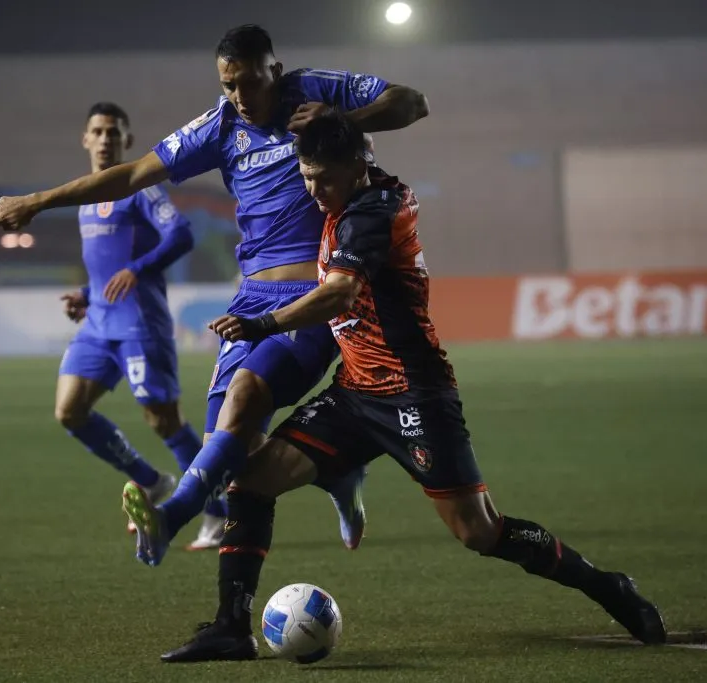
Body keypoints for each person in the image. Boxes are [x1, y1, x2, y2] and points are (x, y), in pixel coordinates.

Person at [157, 111, 667, 662]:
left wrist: (264, 325)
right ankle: (232, 626)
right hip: (354, 391)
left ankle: (607, 585)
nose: (313, 190)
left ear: (356, 167)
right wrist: (327, 116)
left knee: (479, 532)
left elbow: (340, 294)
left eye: (322, 178)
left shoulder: (372, 213)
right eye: (306, 177)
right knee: (250, 481)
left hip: (413, 394)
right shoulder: (350, 185)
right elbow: (359, 143)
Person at [0, 25, 430, 562]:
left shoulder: (313, 91)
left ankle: (170, 519)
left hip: (312, 295)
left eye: (248, 83)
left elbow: (411, 102)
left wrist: (339, 123)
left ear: (275, 71)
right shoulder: (218, 127)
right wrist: (37, 199)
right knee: (230, 449)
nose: (239, 97)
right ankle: (335, 467)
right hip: (250, 299)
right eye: (228, 86)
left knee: (241, 404)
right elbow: (132, 176)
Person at [55, 102, 223, 550]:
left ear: (127, 141)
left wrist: (138, 268)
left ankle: (217, 512)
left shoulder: (141, 189)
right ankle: (149, 481)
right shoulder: (85, 197)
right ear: (85, 139)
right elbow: (103, 270)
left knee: (164, 422)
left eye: (114, 132)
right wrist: (86, 297)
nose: (106, 138)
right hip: (98, 324)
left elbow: (182, 233)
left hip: (139, 323)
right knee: (69, 411)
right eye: (98, 130)